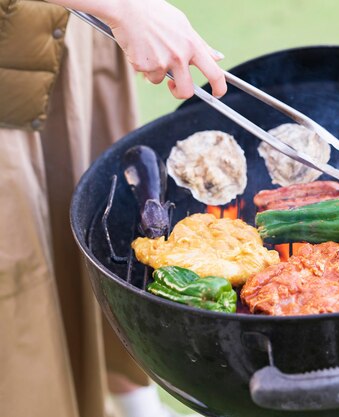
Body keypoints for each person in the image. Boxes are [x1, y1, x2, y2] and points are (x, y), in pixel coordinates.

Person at [0, 1, 226, 416]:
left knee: (92, 208)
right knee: (20, 271)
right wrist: (126, 9)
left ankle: (132, 399)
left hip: (75, 26)